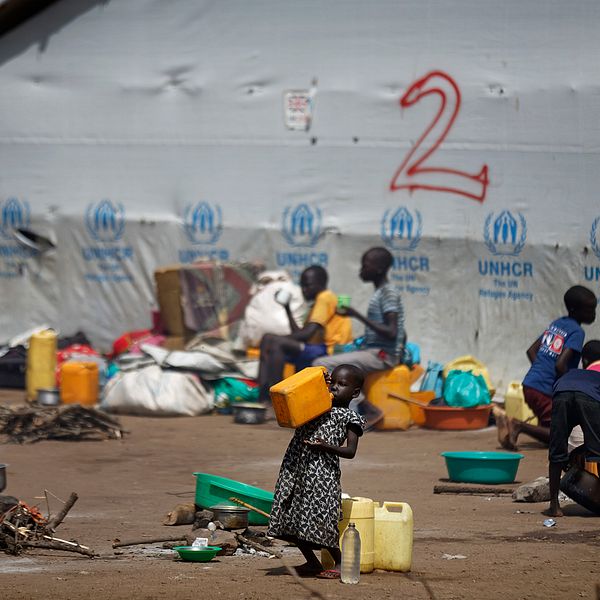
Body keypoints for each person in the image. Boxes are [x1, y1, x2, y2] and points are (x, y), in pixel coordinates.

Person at [267, 364, 367, 579]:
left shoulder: (349, 417)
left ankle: (340, 563)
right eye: (333, 383)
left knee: (321, 519)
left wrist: (325, 446)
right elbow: (297, 392)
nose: (335, 388)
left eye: (343, 384)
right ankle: (312, 563)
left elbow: (350, 452)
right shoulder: (315, 407)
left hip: (322, 477)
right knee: (291, 515)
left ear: (355, 393)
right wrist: (318, 380)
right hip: (296, 470)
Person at [312, 247, 406, 426]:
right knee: (337, 360)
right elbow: (401, 330)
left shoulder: (388, 293)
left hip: (381, 354)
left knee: (321, 364)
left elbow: (392, 331)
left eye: (365, 265)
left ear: (378, 268)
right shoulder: (381, 293)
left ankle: (365, 410)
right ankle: (354, 412)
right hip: (376, 351)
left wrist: (356, 315)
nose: (361, 270)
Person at [495, 285, 597, 450]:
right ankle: (519, 425)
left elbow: (531, 350)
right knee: (561, 437)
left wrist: (542, 370)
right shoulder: (577, 332)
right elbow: (560, 365)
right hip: (544, 389)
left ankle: (517, 429)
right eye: (589, 310)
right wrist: (568, 388)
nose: (593, 314)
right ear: (574, 309)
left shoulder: (558, 324)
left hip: (530, 383)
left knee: (550, 433)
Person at [257, 265, 351, 403]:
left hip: (330, 349)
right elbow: (300, 334)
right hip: (317, 347)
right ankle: (264, 395)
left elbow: (306, 335)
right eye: (302, 286)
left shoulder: (325, 298)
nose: (304, 290)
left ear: (321, 283)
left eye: (308, 286)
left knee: (274, 342)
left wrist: (276, 339)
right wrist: (287, 308)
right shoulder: (317, 303)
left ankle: (273, 397)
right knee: (270, 342)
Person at [546, 340, 600, 517]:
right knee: (598, 453)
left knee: (556, 451)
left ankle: (554, 506)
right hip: (590, 396)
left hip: (562, 391)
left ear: (584, 362)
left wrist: (574, 452)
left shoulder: (571, 373)